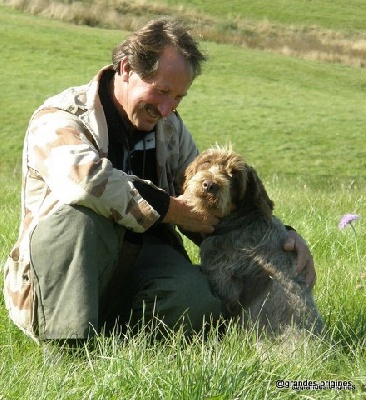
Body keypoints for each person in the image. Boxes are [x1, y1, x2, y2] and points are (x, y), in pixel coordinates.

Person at [3, 17, 316, 345]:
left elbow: (207, 202)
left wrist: (283, 238)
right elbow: (86, 183)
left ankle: (124, 344)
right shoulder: (60, 118)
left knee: (198, 304)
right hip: (62, 277)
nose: (167, 109)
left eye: (179, 97)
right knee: (79, 216)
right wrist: (172, 209)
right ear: (126, 69)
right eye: (162, 91)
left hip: (141, 261)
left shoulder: (169, 128)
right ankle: (66, 354)